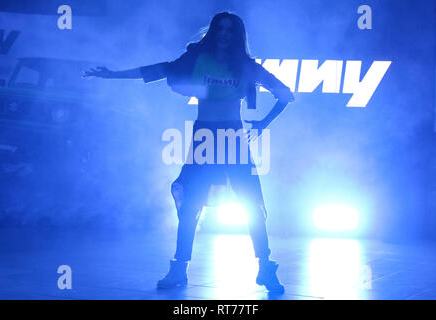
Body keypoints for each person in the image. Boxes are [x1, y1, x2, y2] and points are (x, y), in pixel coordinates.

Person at [83, 11, 295, 293]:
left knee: (252, 204)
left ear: (237, 36)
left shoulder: (246, 66)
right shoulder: (197, 58)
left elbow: (285, 95)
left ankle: (266, 268)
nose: (223, 34)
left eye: (230, 31)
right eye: (219, 29)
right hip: (204, 136)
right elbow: (159, 70)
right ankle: (178, 269)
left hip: (232, 137)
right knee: (191, 204)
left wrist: (263, 124)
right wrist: (112, 76)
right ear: (213, 32)